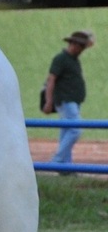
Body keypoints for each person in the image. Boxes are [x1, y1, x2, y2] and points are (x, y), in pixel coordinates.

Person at [44, 28, 95, 169]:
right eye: (82, 46)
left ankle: (65, 168)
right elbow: (51, 80)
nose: (83, 49)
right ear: (74, 44)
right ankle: (57, 161)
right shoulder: (61, 59)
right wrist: (49, 101)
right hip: (66, 101)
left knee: (66, 132)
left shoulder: (73, 60)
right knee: (76, 129)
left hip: (73, 101)